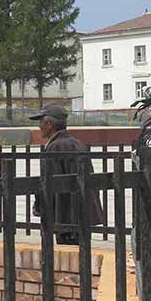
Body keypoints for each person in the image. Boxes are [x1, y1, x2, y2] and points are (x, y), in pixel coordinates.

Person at [29, 104, 104, 245]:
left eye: (41, 122)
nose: (39, 126)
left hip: (66, 216)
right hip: (81, 213)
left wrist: (41, 207)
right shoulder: (76, 143)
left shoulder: (55, 146)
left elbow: (50, 183)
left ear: (50, 124)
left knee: (71, 255)